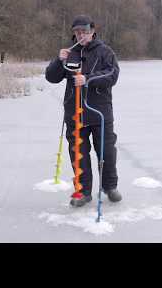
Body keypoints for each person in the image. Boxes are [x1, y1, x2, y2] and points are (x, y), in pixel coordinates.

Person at [45, 15, 122, 207]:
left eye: (85, 32)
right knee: (78, 153)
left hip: (100, 113)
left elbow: (112, 74)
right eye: (78, 32)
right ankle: (83, 191)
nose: (81, 35)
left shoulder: (105, 52)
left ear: (93, 32)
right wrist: (57, 61)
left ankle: (110, 187)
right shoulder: (69, 53)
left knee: (106, 152)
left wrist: (87, 78)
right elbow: (51, 77)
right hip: (75, 113)